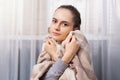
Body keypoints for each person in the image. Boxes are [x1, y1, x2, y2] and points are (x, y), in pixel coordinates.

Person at [31, 5, 97, 80]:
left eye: (64, 24)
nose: (56, 27)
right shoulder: (49, 44)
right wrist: (65, 56)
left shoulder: (78, 42)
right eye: (55, 21)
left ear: (75, 29)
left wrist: (55, 55)